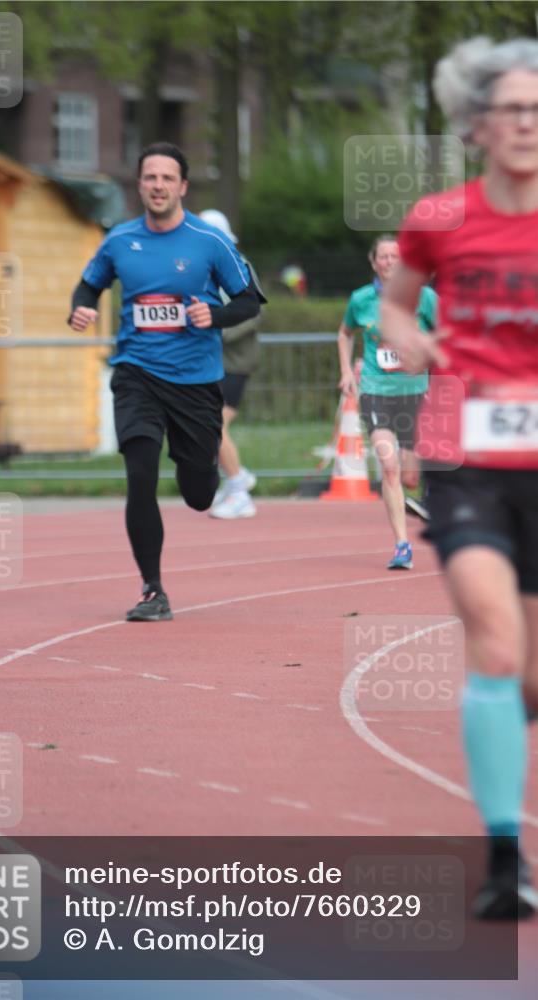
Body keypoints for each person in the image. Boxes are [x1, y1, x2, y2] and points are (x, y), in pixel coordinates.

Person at [381, 37, 538, 919]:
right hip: (467, 459)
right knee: (495, 643)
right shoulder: (438, 217)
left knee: (528, 679)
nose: (526, 123)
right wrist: (406, 338)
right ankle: (503, 861)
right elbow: (396, 303)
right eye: (511, 108)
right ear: (477, 125)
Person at [68, 142, 261, 621]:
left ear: (183, 187)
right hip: (136, 373)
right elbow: (90, 284)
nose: (158, 186)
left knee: (199, 494)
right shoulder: (119, 240)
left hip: (195, 381)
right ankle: (152, 590)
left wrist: (214, 315)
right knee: (140, 476)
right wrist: (82, 306)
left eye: (167, 178)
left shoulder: (209, 240)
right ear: (139, 185)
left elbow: (248, 300)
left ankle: (198, 466)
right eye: (150, 178)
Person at [337, 237, 437, 568]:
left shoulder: (424, 297)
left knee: (410, 475)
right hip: (376, 391)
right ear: (373, 262)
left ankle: (426, 500)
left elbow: (446, 334)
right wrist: (346, 372)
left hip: (414, 392)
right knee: (388, 465)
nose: (390, 261)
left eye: (396, 256)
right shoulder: (361, 299)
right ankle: (402, 545)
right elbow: (345, 333)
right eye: (383, 256)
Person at [199, 209, 262, 519]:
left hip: (235, 363)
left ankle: (239, 489)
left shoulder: (240, 266)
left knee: (214, 426)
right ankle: (238, 476)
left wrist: (215, 328)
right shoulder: (197, 268)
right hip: (209, 362)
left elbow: (252, 313)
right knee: (204, 426)